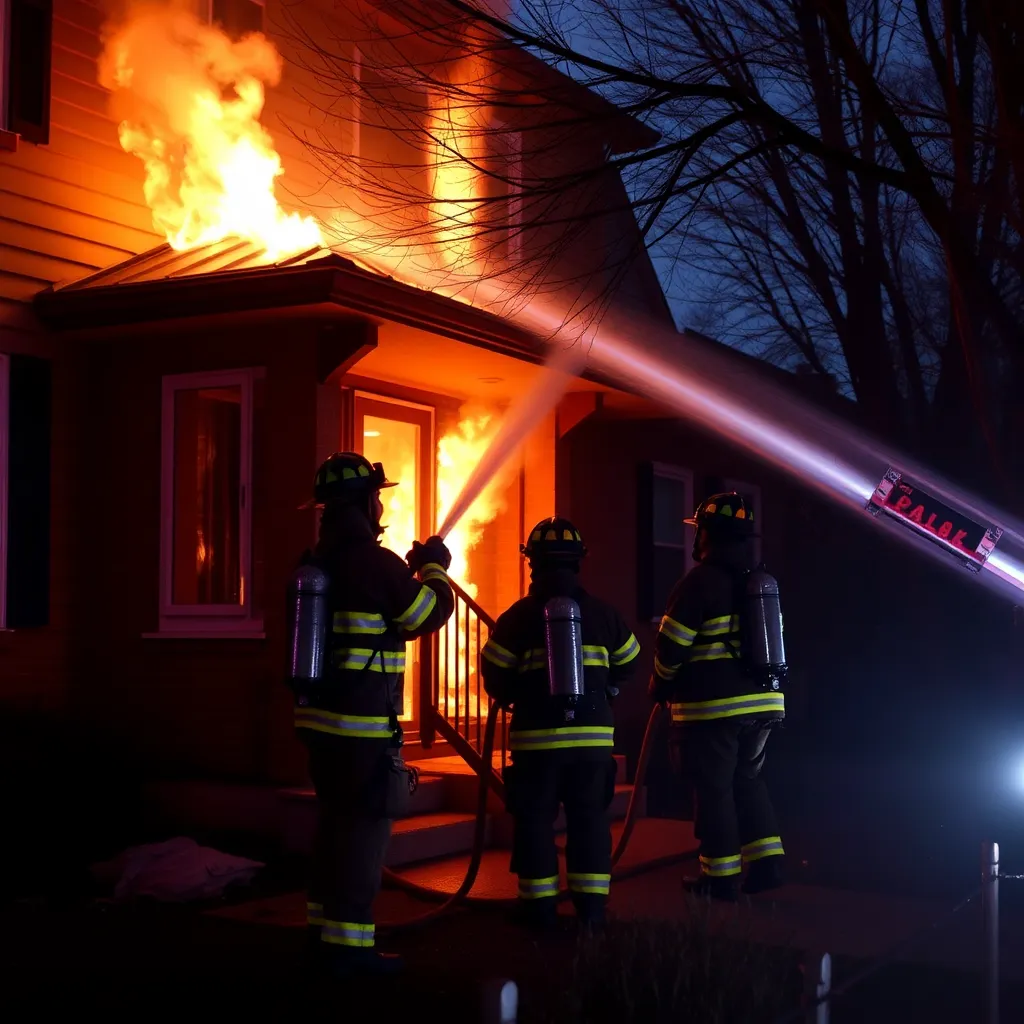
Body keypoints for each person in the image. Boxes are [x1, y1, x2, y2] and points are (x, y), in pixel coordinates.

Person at [293, 452, 454, 978]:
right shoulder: (373, 562)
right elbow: (425, 613)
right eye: (377, 497)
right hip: (361, 731)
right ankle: (351, 949)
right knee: (363, 835)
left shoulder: (317, 564)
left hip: (320, 728)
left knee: (333, 828)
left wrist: (404, 573)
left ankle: (323, 933)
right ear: (364, 502)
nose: (381, 506)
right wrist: (433, 568)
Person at [481, 516, 641, 931]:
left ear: (532, 563)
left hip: (536, 744)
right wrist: (606, 688)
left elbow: (494, 675)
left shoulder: (517, 618)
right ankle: (591, 912)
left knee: (534, 823)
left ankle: (539, 911)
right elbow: (630, 662)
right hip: (592, 743)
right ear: (578, 561)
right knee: (589, 820)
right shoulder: (605, 615)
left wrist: (519, 694)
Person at [649, 492, 786, 901]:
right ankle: (767, 866)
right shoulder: (758, 584)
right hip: (764, 705)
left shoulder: (697, 584)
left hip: (715, 710)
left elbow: (671, 647)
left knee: (714, 790)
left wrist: (660, 684)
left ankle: (720, 879)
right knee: (748, 781)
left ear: (706, 535)